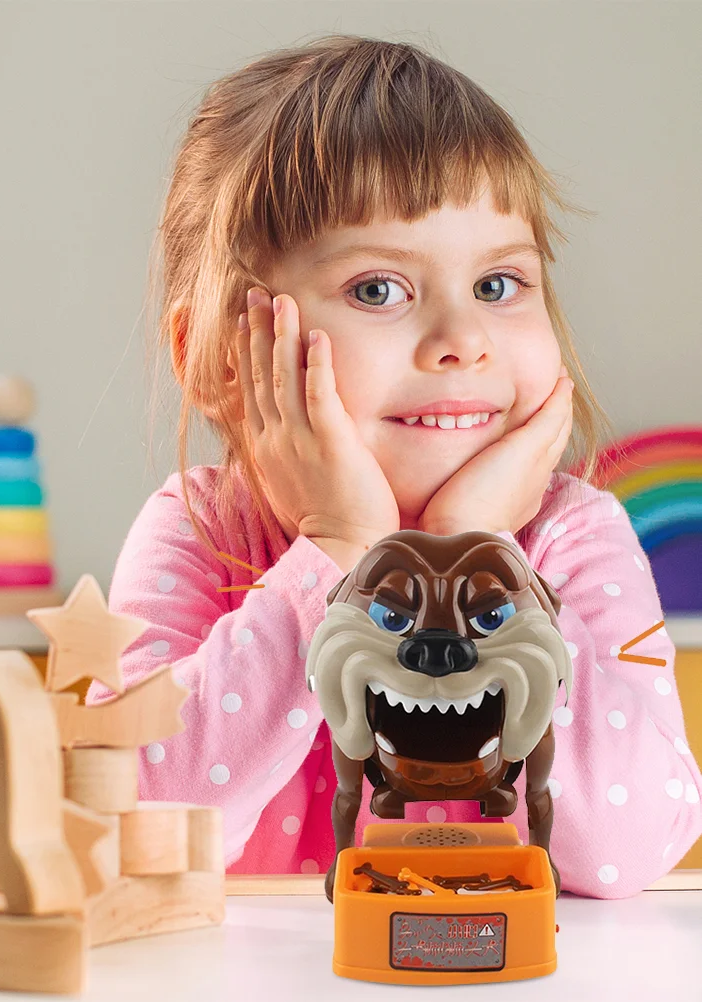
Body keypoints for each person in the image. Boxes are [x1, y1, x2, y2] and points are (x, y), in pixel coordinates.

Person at [87, 34, 702, 898]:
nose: (463, 341)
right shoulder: (201, 530)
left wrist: (473, 556)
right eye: (379, 289)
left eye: (498, 285)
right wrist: (344, 553)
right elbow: (134, 820)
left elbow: (631, 847)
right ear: (224, 356)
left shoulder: (571, 537)